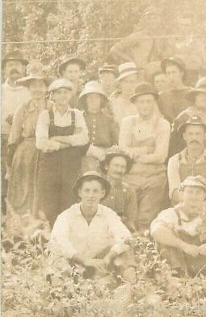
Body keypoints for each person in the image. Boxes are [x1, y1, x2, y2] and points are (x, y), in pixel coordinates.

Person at [48, 171, 134, 278]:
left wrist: (108, 257)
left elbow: (125, 237)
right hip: (73, 262)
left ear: (102, 193)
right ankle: (64, 290)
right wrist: (84, 260)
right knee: (58, 260)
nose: (91, 195)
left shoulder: (108, 214)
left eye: (95, 191)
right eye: (87, 191)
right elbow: (59, 241)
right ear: (80, 193)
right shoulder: (66, 216)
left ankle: (130, 287)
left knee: (125, 252)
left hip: (99, 263)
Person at [151, 176, 206, 276]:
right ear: (181, 194)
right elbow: (156, 230)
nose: (194, 196)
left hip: (204, 262)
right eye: (190, 192)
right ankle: (175, 278)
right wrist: (183, 245)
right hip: (179, 261)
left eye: (198, 192)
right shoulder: (171, 213)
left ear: (204, 196)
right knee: (165, 233)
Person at [35, 78, 89, 224]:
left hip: (71, 165)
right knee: (48, 202)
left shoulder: (76, 114)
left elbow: (84, 138)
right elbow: (41, 142)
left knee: (69, 201)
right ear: (52, 96)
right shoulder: (45, 115)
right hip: (49, 166)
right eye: (58, 93)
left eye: (66, 92)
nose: (62, 96)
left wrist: (58, 139)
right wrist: (70, 141)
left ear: (70, 95)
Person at [118, 83, 170, 229]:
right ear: (135, 103)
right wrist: (147, 149)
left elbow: (161, 156)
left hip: (154, 177)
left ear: (154, 102)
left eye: (149, 101)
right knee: (128, 218)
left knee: (145, 219)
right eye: (141, 101)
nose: (145, 105)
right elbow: (123, 149)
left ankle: (146, 249)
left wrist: (135, 153)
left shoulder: (163, 124)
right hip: (130, 176)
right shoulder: (128, 122)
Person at [6, 71, 48, 217]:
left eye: (40, 85)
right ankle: (20, 230)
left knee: (44, 190)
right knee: (22, 192)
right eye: (33, 86)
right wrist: (9, 165)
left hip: (47, 153)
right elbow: (13, 136)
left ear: (46, 88)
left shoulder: (52, 107)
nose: (37, 89)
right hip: (25, 154)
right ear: (29, 89)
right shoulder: (23, 108)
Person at [167, 116, 206, 203]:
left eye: (198, 134)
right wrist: (190, 205)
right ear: (184, 136)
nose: (194, 138)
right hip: (182, 207)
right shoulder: (174, 160)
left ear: (205, 136)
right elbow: (174, 192)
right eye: (190, 134)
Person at [109, 7, 171, 73]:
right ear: (145, 21)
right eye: (149, 19)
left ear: (160, 20)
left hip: (156, 73)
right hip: (141, 72)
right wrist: (132, 61)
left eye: (155, 18)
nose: (152, 21)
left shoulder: (161, 38)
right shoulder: (138, 35)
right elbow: (114, 50)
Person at [78, 81, 118, 173]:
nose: (93, 100)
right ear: (85, 100)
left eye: (96, 97)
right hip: (84, 156)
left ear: (101, 100)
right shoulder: (79, 118)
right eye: (90, 97)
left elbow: (116, 142)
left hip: (106, 156)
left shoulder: (109, 119)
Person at [99, 147, 138, 232]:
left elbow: (131, 220)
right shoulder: (95, 187)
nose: (119, 170)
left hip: (120, 232)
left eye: (123, 167)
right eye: (116, 166)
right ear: (106, 166)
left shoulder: (129, 191)